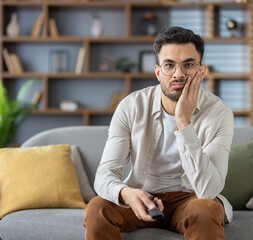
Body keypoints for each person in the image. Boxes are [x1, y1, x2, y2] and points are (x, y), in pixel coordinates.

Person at [83, 26, 234, 240]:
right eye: (169, 65)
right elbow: (104, 175)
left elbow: (208, 191)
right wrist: (126, 193)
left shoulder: (220, 113)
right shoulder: (130, 106)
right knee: (97, 207)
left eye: (188, 65)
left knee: (206, 208)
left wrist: (183, 122)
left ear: (201, 70)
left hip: (192, 199)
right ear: (158, 72)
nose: (178, 74)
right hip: (142, 196)